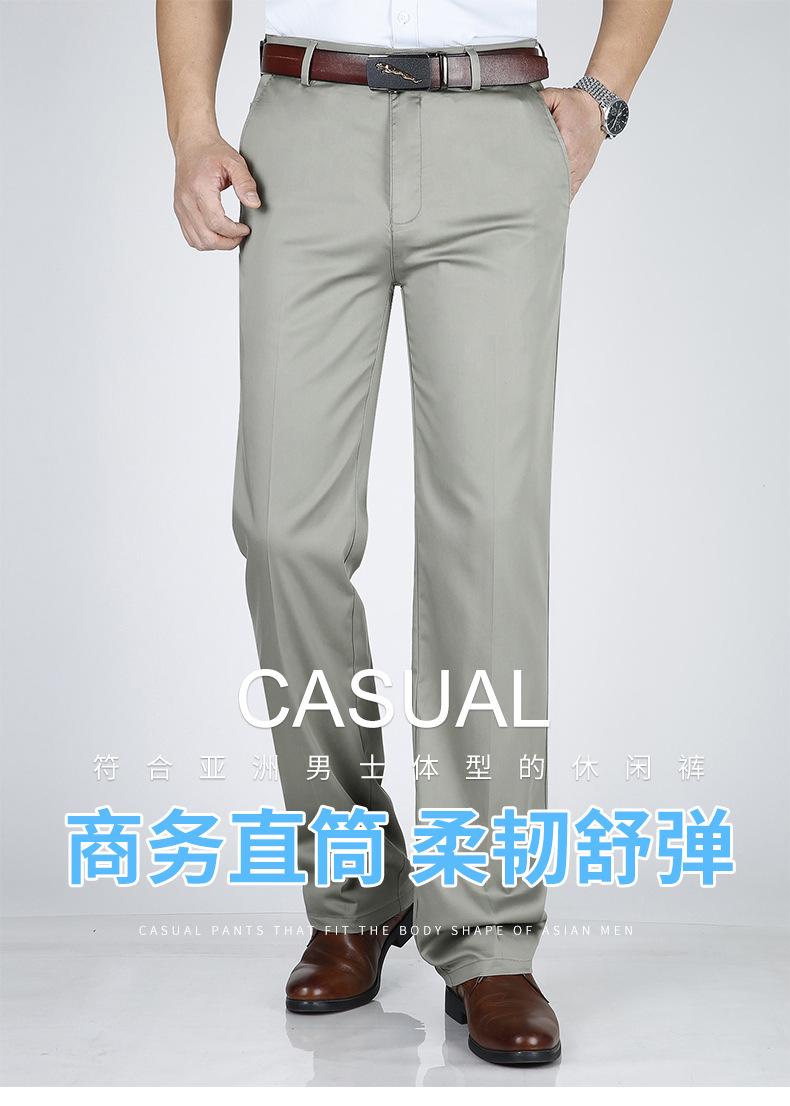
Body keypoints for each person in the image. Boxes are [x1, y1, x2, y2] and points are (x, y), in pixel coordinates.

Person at [156, 0, 672, 1066]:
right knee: (284, 530)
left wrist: (602, 96)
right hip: (305, 133)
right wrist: (192, 130)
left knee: (489, 539)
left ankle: (488, 931)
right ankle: (355, 887)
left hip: (494, 131)